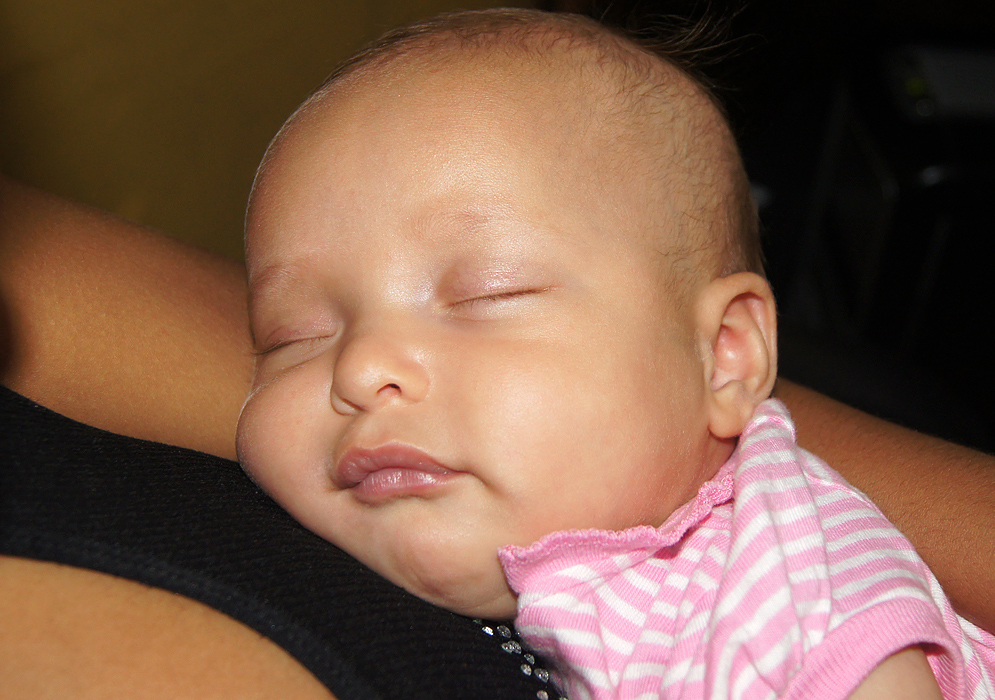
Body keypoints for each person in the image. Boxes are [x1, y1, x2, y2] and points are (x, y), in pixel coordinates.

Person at [2, 10, 995, 700]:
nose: (358, 369)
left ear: (724, 358)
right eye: (292, 337)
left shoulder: (790, 580)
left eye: (485, 293)